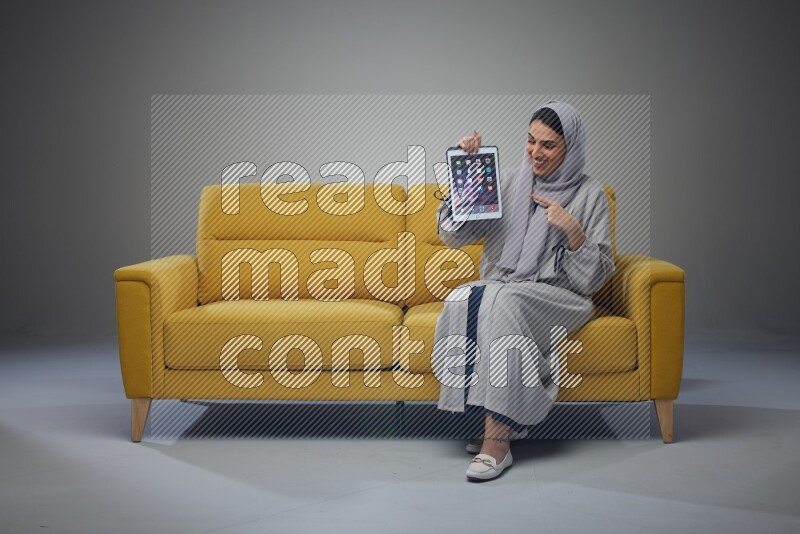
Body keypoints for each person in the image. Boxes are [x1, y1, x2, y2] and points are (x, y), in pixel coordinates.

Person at [433, 101, 615, 482]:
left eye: (548, 145)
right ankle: (493, 419)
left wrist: (574, 232)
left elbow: (594, 280)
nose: (535, 152)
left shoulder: (590, 193)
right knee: (463, 296)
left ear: (570, 147)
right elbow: (455, 236)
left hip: (559, 297)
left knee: (503, 298)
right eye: (530, 142)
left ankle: (497, 443)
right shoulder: (509, 181)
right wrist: (466, 175)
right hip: (506, 287)